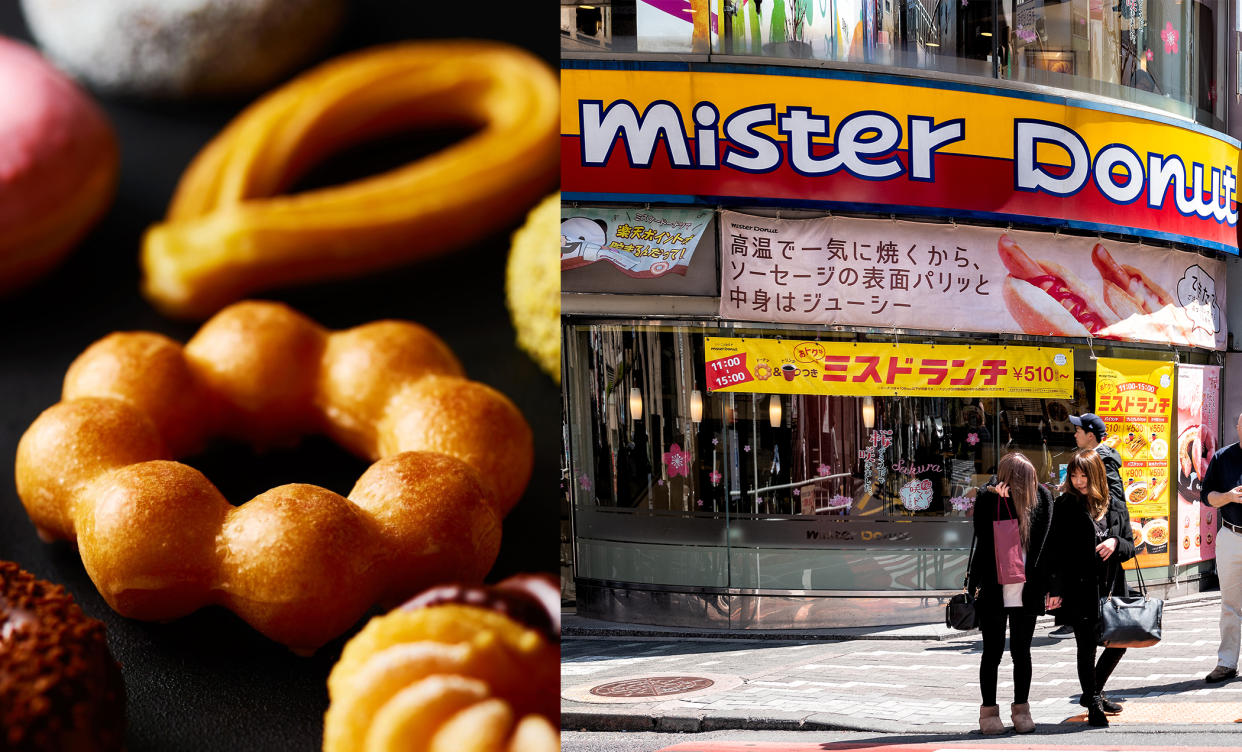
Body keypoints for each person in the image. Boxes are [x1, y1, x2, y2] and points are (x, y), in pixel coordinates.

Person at [1045, 448, 1136, 726]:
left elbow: (1131, 545)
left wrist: (1116, 543)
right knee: (1086, 646)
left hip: (1111, 588)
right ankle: (1094, 702)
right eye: (1073, 476)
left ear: (1095, 474)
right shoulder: (1064, 506)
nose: (1078, 481)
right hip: (1079, 587)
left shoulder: (1116, 505)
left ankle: (1093, 691)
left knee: (1119, 643)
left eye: (1083, 475)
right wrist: (1055, 589)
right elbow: (1053, 553)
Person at [968, 452, 1055, 734]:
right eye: (1024, 479)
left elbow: (1049, 547)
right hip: (995, 589)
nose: (1029, 484)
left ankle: (1022, 709)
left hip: (1026, 591)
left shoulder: (1042, 499)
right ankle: (988, 713)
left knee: (1022, 653)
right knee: (991, 653)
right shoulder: (988, 500)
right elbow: (981, 534)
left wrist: (1052, 587)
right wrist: (994, 498)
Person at [1048, 411, 1125, 640]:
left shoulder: (1103, 459)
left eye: (1078, 430)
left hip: (1100, 531)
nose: (1074, 434)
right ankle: (1075, 621)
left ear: (1090, 435)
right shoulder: (1087, 457)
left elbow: (1116, 496)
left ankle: (1084, 622)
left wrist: (1111, 527)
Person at [1200, 412, 1242, 684]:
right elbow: (1207, 497)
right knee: (1230, 604)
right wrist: (1228, 496)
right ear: (1238, 427)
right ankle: (1226, 662)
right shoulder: (1223, 457)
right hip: (1231, 535)